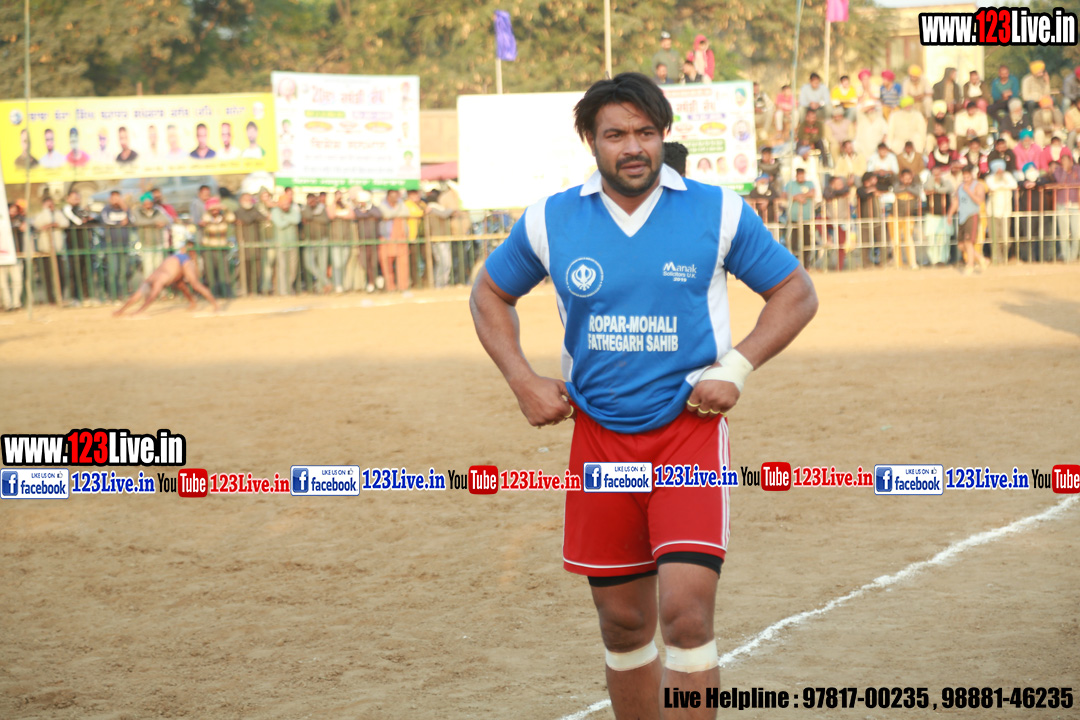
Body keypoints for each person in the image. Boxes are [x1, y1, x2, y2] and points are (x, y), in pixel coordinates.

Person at [469, 72, 817, 720]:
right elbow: (489, 292)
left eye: (646, 132)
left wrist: (736, 367)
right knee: (624, 624)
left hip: (688, 435)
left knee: (686, 616)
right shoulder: (552, 218)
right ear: (591, 142)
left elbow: (795, 291)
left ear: (664, 136)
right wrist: (522, 379)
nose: (633, 147)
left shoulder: (717, 211)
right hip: (599, 440)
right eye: (616, 134)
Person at [113, 242, 218, 316]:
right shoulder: (149, 280)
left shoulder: (157, 280)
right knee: (180, 285)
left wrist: (139, 311)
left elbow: (152, 297)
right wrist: (121, 310)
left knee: (195, 284)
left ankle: (215, 305)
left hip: (182, 261)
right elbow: (135, 297)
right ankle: (193, 302)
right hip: (175, 264)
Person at [33, 195, 71, 304]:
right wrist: (46, 212)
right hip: (46, 251)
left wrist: (54, 224)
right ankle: (51, 299)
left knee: (61, 275)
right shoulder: (40, 214)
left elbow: (65, 223)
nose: (50, 206)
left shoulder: (58, 214)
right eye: (48, 204)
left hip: (58, 250)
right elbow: (38, 224)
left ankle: (61, 296)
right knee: (47, 276)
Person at [131, 192, 170, 282]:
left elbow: (166, 220)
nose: (148, 204)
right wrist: (154, 223)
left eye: (149, 202)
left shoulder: (158, 210)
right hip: (146, 243)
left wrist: (154, 223)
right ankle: (148, 286)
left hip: (158, 242)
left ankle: (158, 286)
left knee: (158, 266)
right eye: (146, 203)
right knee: (148, 268)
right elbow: (139, 222)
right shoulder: (138, 211)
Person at [984, 159, 1017, 264]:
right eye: (997, 168)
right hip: (992, 212)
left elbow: (1014, 185)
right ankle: (996, 258)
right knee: (994, 237)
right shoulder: (989, 178)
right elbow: (992, 187)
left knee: (1005, 237)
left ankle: (1004, 258)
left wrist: (1002, 185)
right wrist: (1003, 186)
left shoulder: (1008, 176)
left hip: (1006, 212)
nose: (999, 170)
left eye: (1001, 168)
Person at [955, 165, 987, 274]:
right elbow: (956, 201)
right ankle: (981, 259)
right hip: (962, 217)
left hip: (972, 215)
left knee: (968, 242)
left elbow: (979, 201)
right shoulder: (960, 187)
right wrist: (950, 214)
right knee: (961, 245)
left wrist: (969, 191)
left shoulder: (978, 186)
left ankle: (970, 265)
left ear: (972, 176)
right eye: (964, 177)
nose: (966, 180)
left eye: (967, 177)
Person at [269, 192, 301, 294]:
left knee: (293, 268)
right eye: (283, 203)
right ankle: (283, 290)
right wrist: (289, 220)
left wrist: (284, 217)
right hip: (281, 244)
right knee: (282, 268)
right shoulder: (275, 211)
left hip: (293, 243)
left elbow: (297, 220)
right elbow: (280, 224)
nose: (286, 206)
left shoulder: (293, 210)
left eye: (287, 203)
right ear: (279, 204)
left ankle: (289, 287)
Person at [378, 189, 411, 291]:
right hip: (387, 238)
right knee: (386, 264)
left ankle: (403, 286)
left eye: (397, 196)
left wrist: (395, 213)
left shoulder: (401, 203)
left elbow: (407, 213)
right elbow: (387, 214)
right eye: (394, 196)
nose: (396, 199)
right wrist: (398, 212)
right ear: (388, 197)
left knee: (403, 264)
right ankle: (390, 287)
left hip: (401, 238)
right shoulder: (382, 205)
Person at [201, 197, 233, 297]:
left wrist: (225, 209)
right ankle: (213, 293)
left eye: (216, 208)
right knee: (210, 272)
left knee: (224, 271)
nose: (215, 210)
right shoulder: (207, 217)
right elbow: (205, 218)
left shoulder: (223, 218)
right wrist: (211, 208)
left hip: (221, 248)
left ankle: (226, 293)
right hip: (209, 249)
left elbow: (232, 218)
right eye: (213, 209)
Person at [785, 167, 817, 267]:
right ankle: (795, 263)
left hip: (806, 218)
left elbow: (813, 193)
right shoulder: (790, 184)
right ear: (796, 176)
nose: (801, 177)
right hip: (793, 218)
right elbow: (784, 195)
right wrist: (796, 197)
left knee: (806, 241)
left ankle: (806, 264)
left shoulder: (809, 183)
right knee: (794, 241)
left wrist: (801, 196)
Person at [923, 164, 954, 265]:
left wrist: (935, 191)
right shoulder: (928, 183)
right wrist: (932, 181)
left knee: (944, 239)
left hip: (944, 215)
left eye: (938, 174)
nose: (937, 176)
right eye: (934, 174)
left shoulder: (946, 182)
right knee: (932, 239)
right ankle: (933, 260)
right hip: (932, 216)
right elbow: (928, 188)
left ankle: (943, 259)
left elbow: (948, 189)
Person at [1053, 152, 1080, 262]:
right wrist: (1064, 170)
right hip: (1062, 204)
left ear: (1071, 161)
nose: (1064, 163)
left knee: (1076, 233)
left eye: (1066, 160)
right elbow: (1060, 182)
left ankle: (1073, 257)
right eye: (1062, 161)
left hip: (1075, 204)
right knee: (1063, 233)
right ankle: (1066, 258)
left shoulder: (1077, 170)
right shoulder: (1058, 171)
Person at [1, 203, 27, 310]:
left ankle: (16, 303)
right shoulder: (2, 221)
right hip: (2, 256)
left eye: (15, 210)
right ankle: (7, 303)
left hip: (16, 255)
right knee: (3, 283)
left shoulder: (20, 220)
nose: (13, 212)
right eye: (11, 210)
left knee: (17, 280)